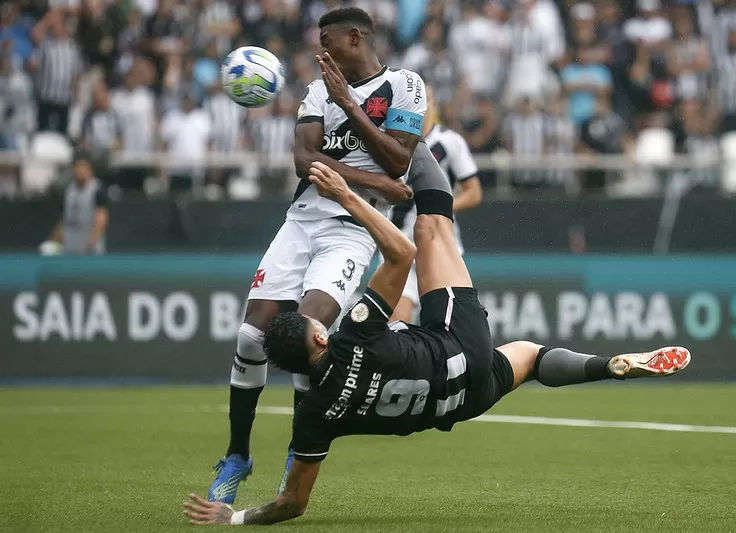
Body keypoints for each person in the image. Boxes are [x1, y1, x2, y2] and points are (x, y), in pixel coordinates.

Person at [182, 160, 691, 526]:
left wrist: (234, 521)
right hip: (456, 346)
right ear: (320, 332)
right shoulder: (351, 335)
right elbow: (400, 252)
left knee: (532, 357)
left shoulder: (312, 413)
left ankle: (607, 365)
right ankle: (416, 137)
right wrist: (351, 191)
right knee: (430, 226)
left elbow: (292, 504)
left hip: (459, 401)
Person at [208, 7, 426, 504]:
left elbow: (400, 158)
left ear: (356, 36)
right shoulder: (315, 90)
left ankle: (296, 450)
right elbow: (306, 162)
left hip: (353, 230)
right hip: (302, 219)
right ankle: (237, 455)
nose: (320, 52)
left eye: (327, 41)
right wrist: (380, 184)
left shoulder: (405, 85)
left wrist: (349, 107)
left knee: (310, 336)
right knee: (250, 334)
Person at [389, 84, 482, 323]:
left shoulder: (450, 142)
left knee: (447, 323)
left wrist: (437, 209)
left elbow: (473, 193)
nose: (420, 106)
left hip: (440, 243)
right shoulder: (390, 141)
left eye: (426, 99)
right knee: (398, 325)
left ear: (434, 104)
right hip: (399, 244)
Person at [43, 154, 109, 255]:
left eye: (83, 167)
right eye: (77, 167)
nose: (80, 170)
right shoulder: (69, 190)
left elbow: (101, 218)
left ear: (90, 170)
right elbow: (65, 220)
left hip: (89, 247)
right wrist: (53, 240)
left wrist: (92, 241)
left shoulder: (96, 189)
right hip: (70, 245)